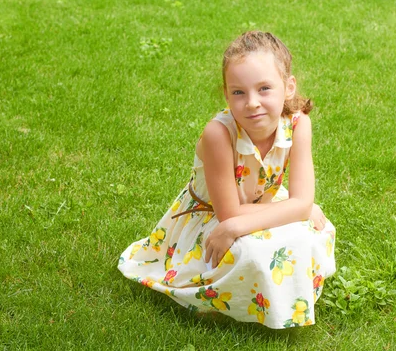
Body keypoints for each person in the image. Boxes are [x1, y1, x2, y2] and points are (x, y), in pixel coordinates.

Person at [118, 31, 336, 329]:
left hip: (254, 209)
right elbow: (228, 214)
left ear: (288, 87)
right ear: (226, 94)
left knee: (316, 231)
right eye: (238, 92)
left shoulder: (299, 124)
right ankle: (239, 298)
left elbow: (298, 203)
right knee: (247, 252)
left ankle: (278, 293)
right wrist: (294, 209)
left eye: (264, 89)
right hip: (211, 215)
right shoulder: (218, 134)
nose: (252, 103)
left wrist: (298, 208)